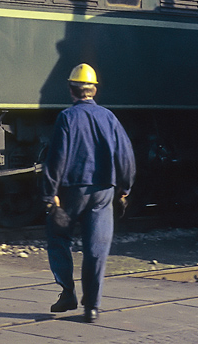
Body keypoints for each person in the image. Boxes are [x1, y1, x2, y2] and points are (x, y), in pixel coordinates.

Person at [41, 63, 136, 324]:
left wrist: (50, 195)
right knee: (96, 249)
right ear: (93, 90)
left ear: (72, 91)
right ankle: (92, 307)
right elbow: (126, 157)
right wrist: (124, 190)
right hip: (104, 192)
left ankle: (67, 292)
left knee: (58, 237)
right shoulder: (109, 117)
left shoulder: (66, 118)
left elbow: (56, 159)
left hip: (72, 191)